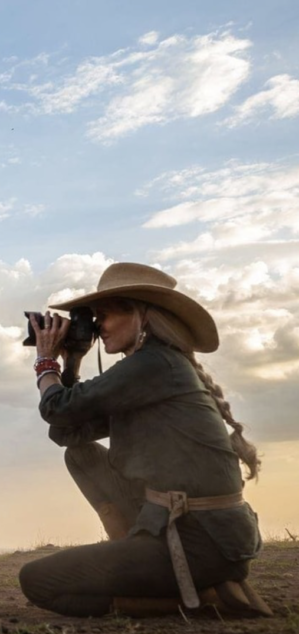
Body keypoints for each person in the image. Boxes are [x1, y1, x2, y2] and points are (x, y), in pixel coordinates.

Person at [17, 262, 271, 618]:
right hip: (191, 531)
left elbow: (57, 409)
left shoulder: (155, 365)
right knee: (81, 454)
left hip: (201, 542)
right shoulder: (151, 369)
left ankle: (202, 595)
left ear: (142, 316)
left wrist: (46, 362)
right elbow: (66, 431)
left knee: (38, 581)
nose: (97, 326)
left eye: (103, 316)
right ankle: (145, 559)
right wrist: (72, 360)